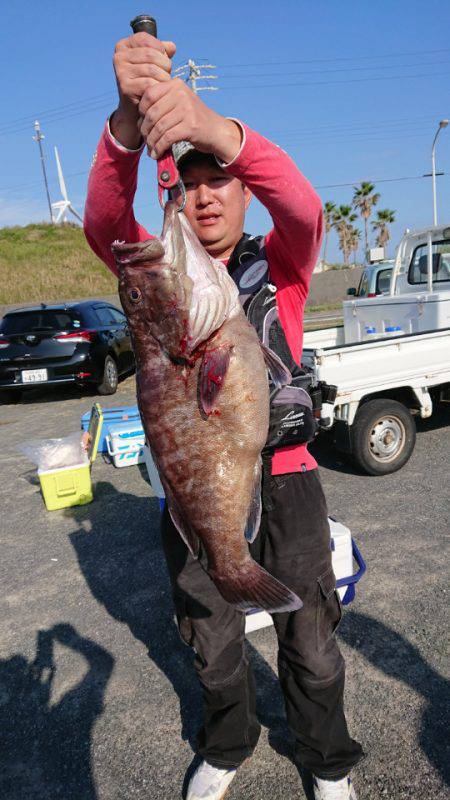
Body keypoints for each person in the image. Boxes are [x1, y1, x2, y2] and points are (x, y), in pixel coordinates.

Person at [84, 30, 364, 800]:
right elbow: (106, 221)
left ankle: (325, 757)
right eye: (190, 184)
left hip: (289, 477)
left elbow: (303, 204)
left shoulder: (285, 269)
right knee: (210, 639)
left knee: (311, 640)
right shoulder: (163, 279)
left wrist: (216, 130)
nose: (204, 194)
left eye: (222, 180)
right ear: (171, 199)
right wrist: (125, 128)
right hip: (197, 495)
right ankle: (229, 740)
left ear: (245, 194)